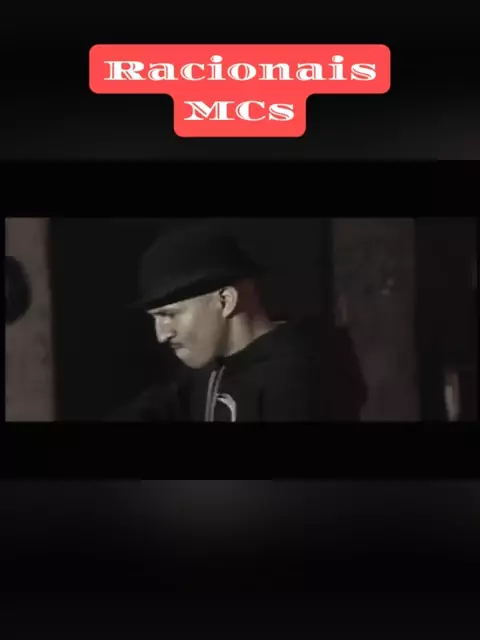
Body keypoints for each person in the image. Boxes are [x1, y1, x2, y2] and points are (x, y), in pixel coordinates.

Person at [108, 221, 366, 422]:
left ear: (226, 301)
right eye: (155, 318)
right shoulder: (209, 369)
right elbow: (161, 406)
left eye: (170, 315)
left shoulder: (303, 382)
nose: (161, 335)